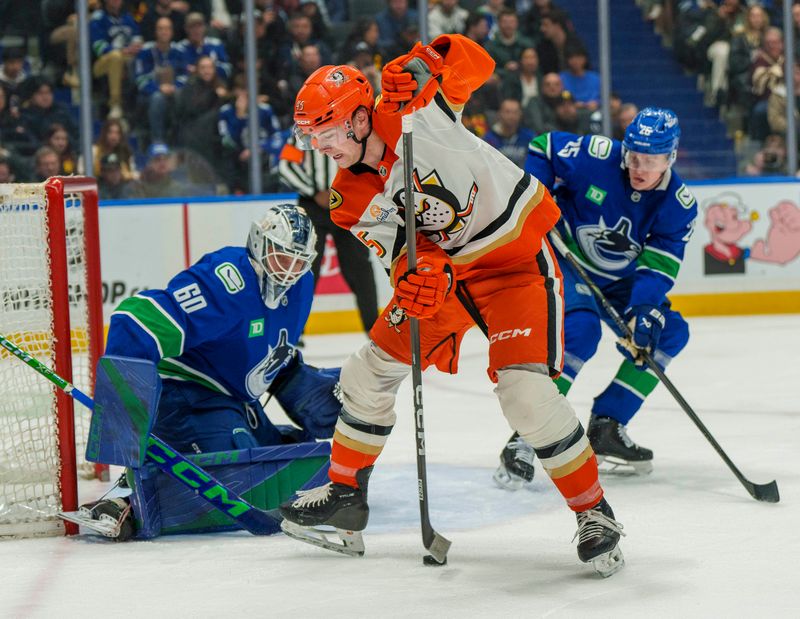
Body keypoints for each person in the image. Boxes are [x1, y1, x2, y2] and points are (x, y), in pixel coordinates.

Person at [279, 34, 625, 577]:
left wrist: (424, 63)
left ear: (356, 119)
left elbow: (476, 63)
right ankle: (346, 495)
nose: (318, 145)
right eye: (309, 135)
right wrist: (415, 275)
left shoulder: (415, 111)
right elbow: (396, 253)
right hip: (448, 284)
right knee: (365, 373)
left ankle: (594, 513)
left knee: (527, 395)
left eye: (324, 131)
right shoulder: (347, 196)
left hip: (511, 267)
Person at [72, 204, 342, 540]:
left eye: (299, 261)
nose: (289, 270)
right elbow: (136, 319)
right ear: (259, 243)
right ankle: (122, 499)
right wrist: (125, 412)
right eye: (281, 256)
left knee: (292, 459)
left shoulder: (302, 286)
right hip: (186, 396)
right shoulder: (227, 279)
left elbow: (272, 356)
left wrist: (316, 393)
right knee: (234, 467)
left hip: (236, 401)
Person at [495, 108, 697, 489]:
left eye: (651, 162)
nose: (640, 168)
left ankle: (608, 424)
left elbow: (657, 267)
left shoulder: (678, 204)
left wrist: (643, 310)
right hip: (566, 259)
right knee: (582, 331)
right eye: (635, 157)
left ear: (670, 158)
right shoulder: (598, 154)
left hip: (621, 282)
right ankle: (525, 436)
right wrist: (538, 201)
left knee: (668, 334)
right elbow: (544, 146)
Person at [278, 131, 379, 333]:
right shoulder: (302, 132)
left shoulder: (352, 128)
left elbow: (368, 163)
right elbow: (285, 167)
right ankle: (293, 331)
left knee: (359, 266)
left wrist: (349, 190)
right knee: (304, 266)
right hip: (313, 205)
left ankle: (375, 328)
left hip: (348, 203)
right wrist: (314, 192)